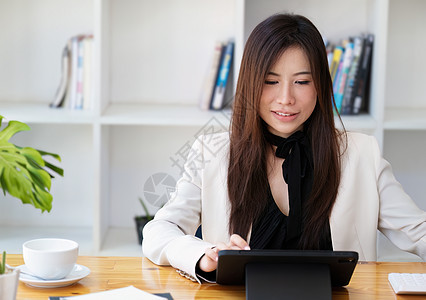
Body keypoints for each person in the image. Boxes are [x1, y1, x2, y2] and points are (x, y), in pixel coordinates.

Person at [142, 13, 426, 283]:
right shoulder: (212, 152)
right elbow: (159, 231)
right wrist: (203, 255)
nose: (285, 98)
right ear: (251, 84)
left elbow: (419, 232)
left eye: (301, 81)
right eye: (270, 81)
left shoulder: (363, 154)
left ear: (321, 86)